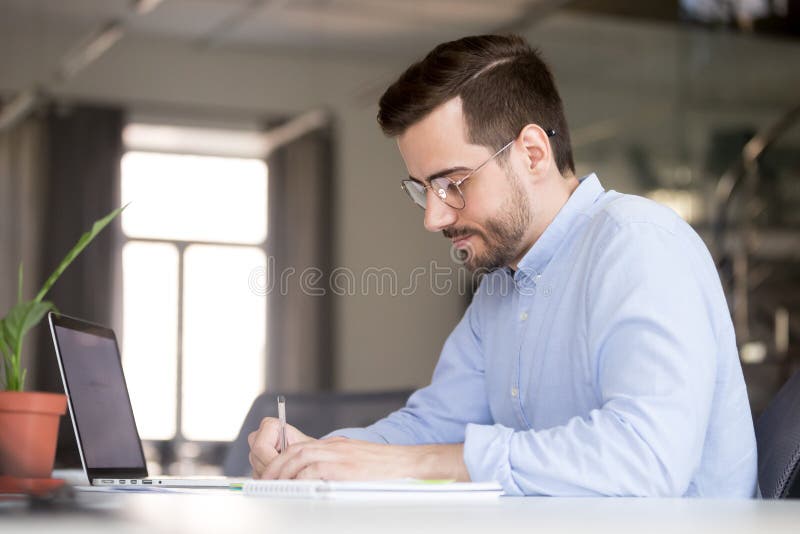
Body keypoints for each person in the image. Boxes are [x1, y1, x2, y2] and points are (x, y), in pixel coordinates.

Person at [248, 34, 757, 497]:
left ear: (533, 153)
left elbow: (646, 458)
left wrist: (428, 462)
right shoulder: (503, 287)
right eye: (422, 189)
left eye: (452, 183)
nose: (433, 216)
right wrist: (317, 453)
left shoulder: (639, 246)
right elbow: (433, 428)